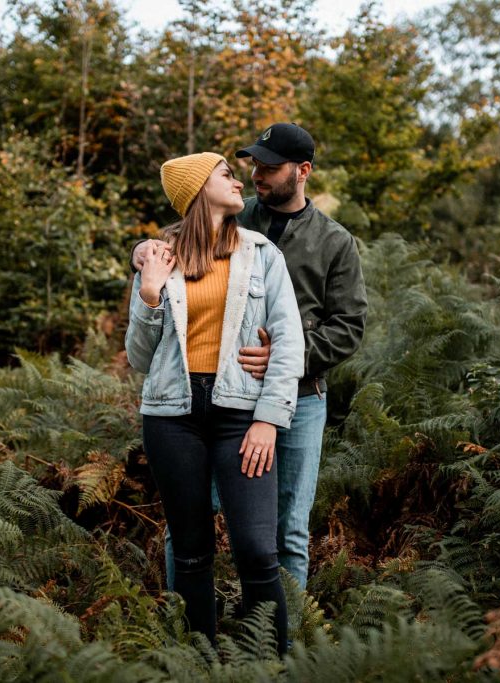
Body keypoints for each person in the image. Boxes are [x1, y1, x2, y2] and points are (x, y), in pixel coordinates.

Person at [134, 124, 368, 591]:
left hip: (301, 398)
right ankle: (190, 624)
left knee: (288, 532)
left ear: (302, 172)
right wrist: (140, 250)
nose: (256, 174)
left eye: (270, 166)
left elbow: (349, 327)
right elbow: (184, 248)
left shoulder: (335, 241)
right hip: (226, 399)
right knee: (191, 522)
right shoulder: (238, 218)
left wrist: (286, 357)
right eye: (254, 164)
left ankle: (280, 636)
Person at [125, 151, 304, 655]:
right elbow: (139, 356)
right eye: (226, 173)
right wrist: (151, 295)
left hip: (239, 413)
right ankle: (198, 661)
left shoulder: (261, 252)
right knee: (192, 552)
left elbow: (288, 341)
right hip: (171, 416)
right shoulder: (159, 258)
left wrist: (269, 419)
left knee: (256, 549)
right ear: (199, 188)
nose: (238, 180)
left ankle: (271, 662)